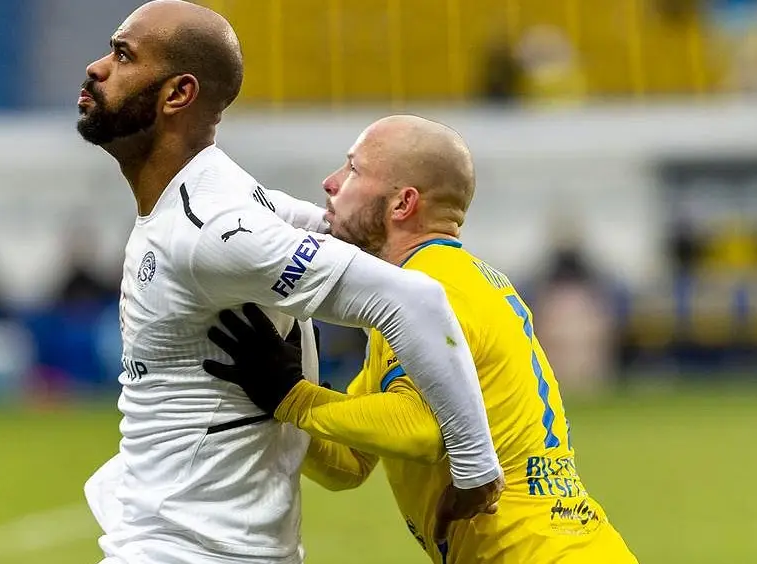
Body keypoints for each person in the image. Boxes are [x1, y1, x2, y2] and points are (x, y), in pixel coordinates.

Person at [75, 2, 502, 564]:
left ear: (179, 94)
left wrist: (475, 466)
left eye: (123, 55)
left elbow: (413, 297)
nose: (97, 67)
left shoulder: (211, 228)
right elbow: (350, 236)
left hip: (188, 551)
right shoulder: (225, 199)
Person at [203, 116, 639, 564]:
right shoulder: (440, 286)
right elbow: (348, 463)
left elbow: (419, 429)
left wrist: (293, 397)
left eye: (353, 169)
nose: (330, 183)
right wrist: (273, 395)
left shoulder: (433, 286)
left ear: (403, 203)